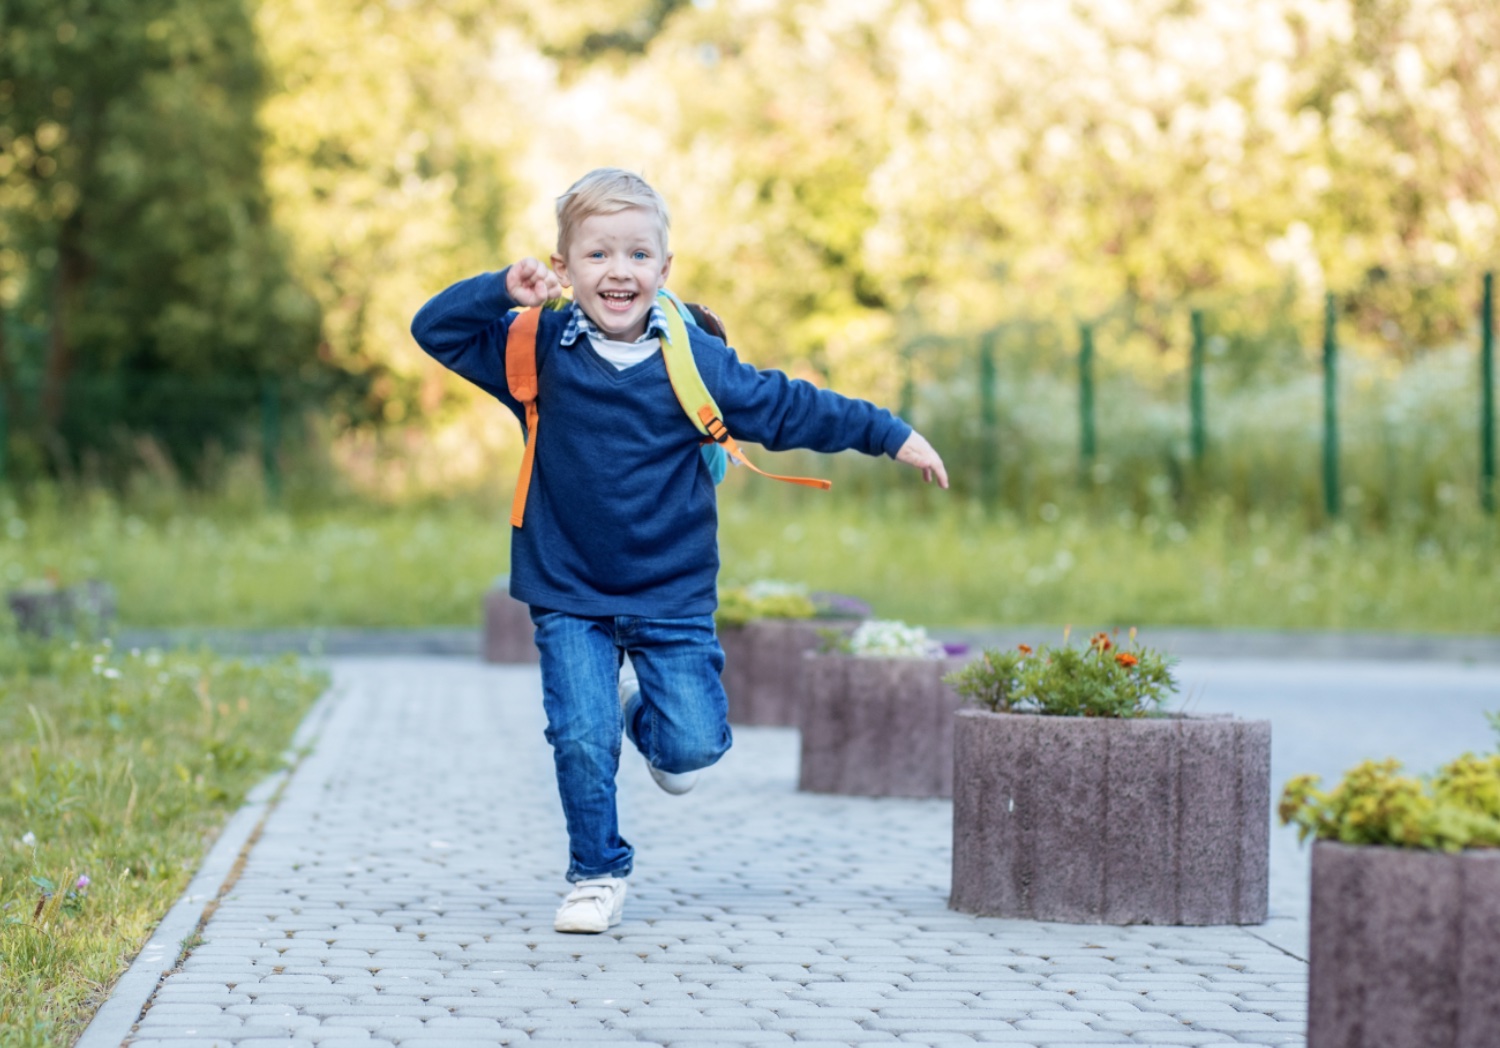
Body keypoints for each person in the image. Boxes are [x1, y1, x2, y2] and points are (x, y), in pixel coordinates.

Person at [411, 167, 947, 934]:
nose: (617, 272)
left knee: (692, 744)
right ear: (563, 270)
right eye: (596, 256)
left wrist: (891, 434)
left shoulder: (695, 362)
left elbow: (793, 406)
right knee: (579, 734)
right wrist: (499, 288)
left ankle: (647, 718)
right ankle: (597, 871)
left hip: (671, 591)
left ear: (665, 269)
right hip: (567, 588)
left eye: (636, 255)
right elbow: (434, 330)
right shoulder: (536, 349)